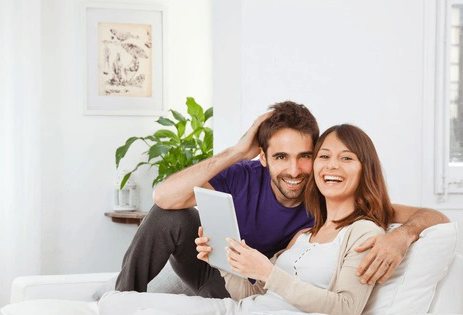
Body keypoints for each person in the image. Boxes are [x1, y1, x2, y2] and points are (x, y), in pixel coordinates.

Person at [99, 124, 394, 315]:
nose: (331, 166)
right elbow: (256, 294)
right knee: (112, 303)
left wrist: (267, 271)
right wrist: (226, 261)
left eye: (346, 158)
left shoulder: (365, 233)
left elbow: (346, 309)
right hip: (238, 310)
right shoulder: (305, 234)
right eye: (325, 157)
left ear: (364, 168)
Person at [114, 101, 449, 299]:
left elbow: (432, 215)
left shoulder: (330, 194)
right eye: (281, 157)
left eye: (305, 156)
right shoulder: (243, 174)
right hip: (213, 273)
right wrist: (235, 151)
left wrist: (401, 236)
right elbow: (163, 198)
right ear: (263, 157)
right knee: (172, 215)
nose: (294, 170)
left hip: (256, 292)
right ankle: (119, 303)